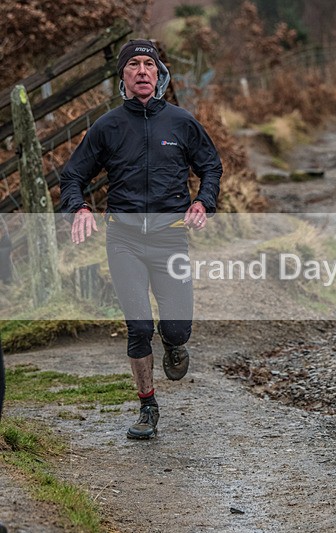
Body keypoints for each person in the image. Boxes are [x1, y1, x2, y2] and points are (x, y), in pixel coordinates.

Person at [60, 39, 222, 440]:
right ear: (124, 77)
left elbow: (211, 167)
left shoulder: (181, 122)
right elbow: (72, 176)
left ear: (160, 74)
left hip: (170, 240)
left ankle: (174, 341)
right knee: (137, 326)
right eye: (133, 65)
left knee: (178, 326)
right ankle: (147, 406)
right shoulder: (108, 127)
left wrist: (203, 203)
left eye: (149, 64)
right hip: (124, 241)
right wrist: (79, 208)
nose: (142, 71)